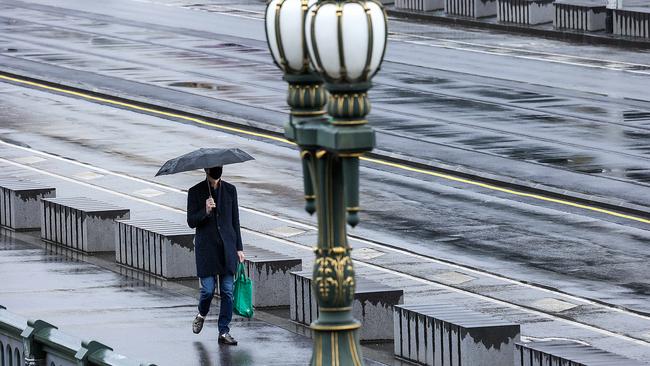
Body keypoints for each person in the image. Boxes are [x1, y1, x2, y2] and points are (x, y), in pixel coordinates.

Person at [187, 166, 245, 346]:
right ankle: (201, 314)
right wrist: (205, 211)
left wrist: (239, 248)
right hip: (207, 251)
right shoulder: (195, 191)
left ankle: (224, 331)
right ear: (206, 170)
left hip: (227, 249)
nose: (218, 171)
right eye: (214, 169)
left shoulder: (230, 190)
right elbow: (191, 221)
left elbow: (235, 220)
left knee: (227, 291)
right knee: (208, 290)